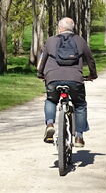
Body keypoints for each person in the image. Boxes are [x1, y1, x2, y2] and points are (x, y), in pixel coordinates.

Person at [36, 17, 97, 148]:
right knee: (80, 105)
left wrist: (40, 73)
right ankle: (79, 137)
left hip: (53, 78)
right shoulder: (80, 41)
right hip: (75, 79)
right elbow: (90, 60)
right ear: (72, 28)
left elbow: (42, 60)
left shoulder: (51, 41)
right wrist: (93, 74)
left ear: (60, 28)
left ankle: (50, 124)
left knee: (51, 100)